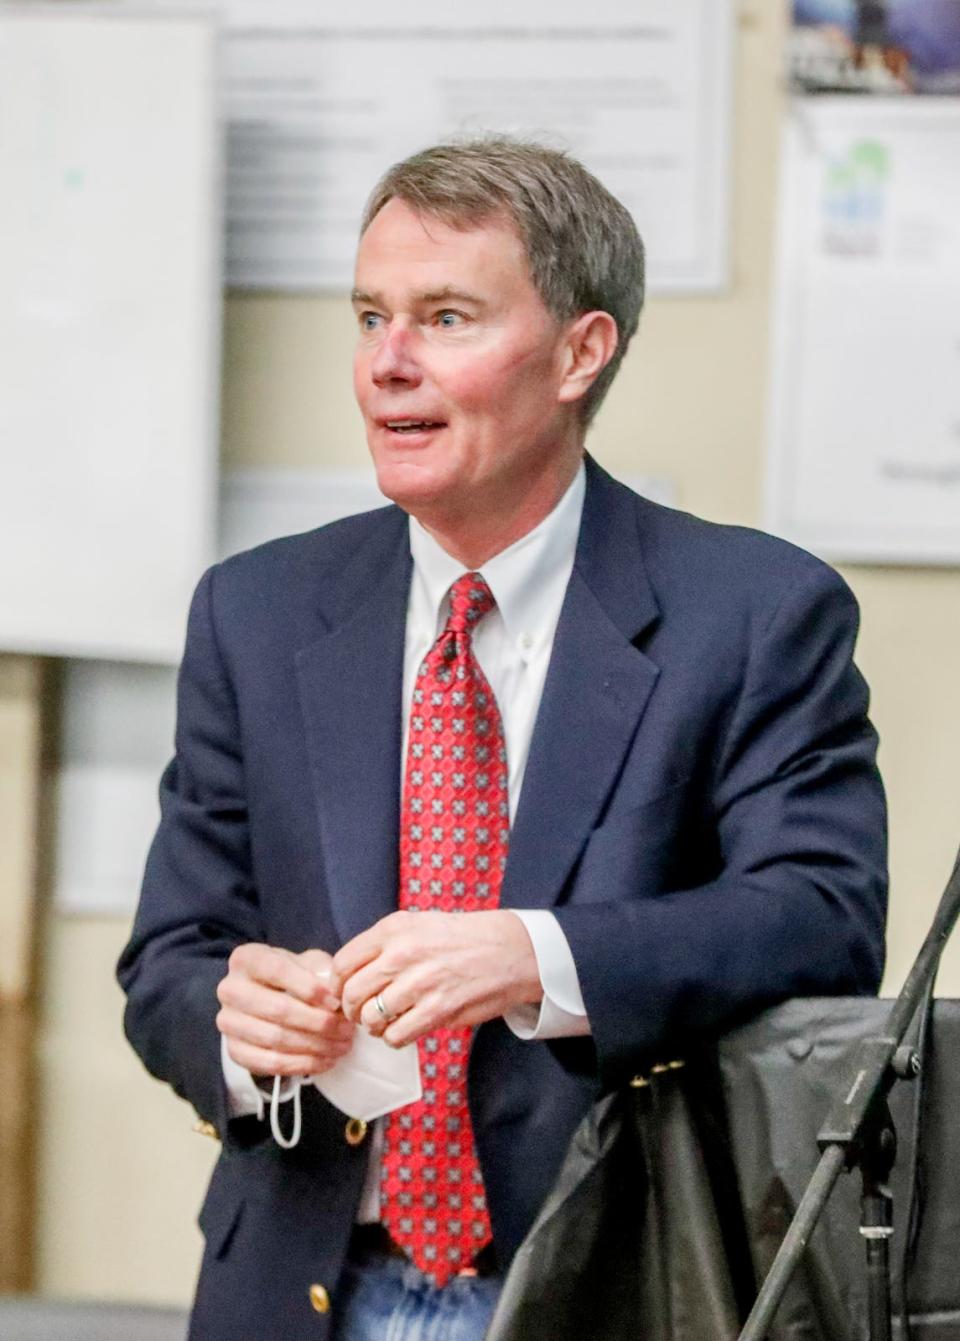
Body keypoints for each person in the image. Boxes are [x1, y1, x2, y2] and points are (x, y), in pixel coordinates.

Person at [118, 136, 887, 1341]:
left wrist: (538, 956)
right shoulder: (257, 611)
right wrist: (236, 1022)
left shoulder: (752, 614)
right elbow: (168, 957)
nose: (386, 364)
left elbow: (819, 919)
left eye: (445, 317)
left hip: (620, 1284)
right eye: (371, 316)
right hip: (305, 1285)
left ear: (582, 352)